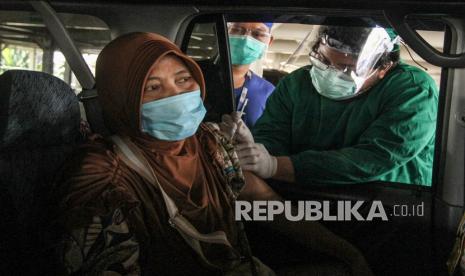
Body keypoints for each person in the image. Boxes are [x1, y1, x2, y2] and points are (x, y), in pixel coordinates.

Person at [52, 32, 372, 275]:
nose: (176, 96)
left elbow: (255, 197)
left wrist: (343, 249)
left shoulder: (206, 139)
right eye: (152, 88)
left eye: (183, 80)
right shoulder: (101, 176)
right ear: (120, 98)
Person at [223, 25, 438, 186]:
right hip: (302, 195)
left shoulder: (413, 89)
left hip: (384, 204)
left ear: (384, 67)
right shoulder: (297, 83)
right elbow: (272, 135)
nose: (331, 73)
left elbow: (374, 157)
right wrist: (255, 151)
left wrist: (275, 166)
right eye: (324, 61)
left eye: (347, 68)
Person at [228, 22, 275, 128]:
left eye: (257, 34)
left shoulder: (269, 93)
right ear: (226, 32)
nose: (246, 39)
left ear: (269, 41)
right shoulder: (197, 77)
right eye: (237, 30)